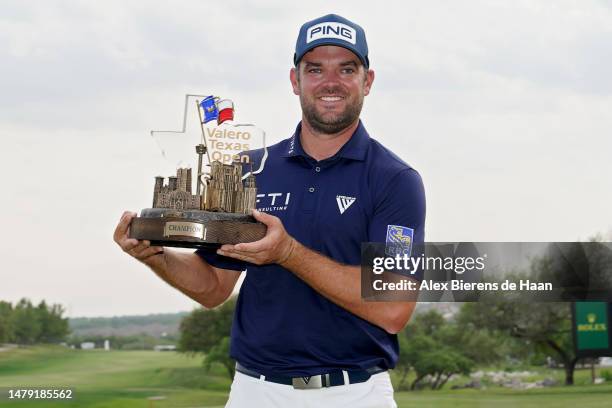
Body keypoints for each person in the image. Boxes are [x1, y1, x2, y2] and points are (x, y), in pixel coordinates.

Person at [114, 13, 425, 408]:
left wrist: (288, 253)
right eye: (315, 69)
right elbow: (213, 287)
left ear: (368, 81)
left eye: (347, 69)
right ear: (295, 81)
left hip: (355, 392)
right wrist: (156, 256)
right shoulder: (252, 169)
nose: (330, 82)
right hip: (255, 391)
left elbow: (393, 307)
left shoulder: (395, 179)